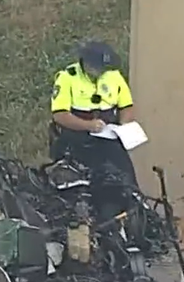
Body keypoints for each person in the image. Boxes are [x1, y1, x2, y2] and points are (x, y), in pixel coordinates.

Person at [48, 41, 139, 186]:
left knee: (125, 179)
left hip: (108, 138)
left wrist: (123, 125)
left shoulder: (114, 77)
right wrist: (87, 125)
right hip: (77, 140)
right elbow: (60, 115)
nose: (101, 71)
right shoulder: (67, 78)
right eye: (98, 68)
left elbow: (127, 106)